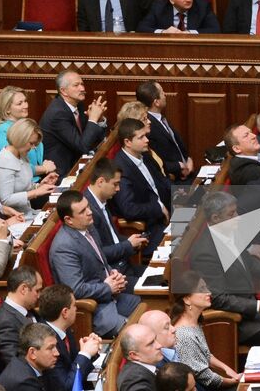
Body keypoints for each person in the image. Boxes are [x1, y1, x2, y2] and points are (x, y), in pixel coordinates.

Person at [187, 192, 260, 346]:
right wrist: (258, 306)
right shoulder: (205, 254)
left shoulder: (229, 232)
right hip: (236, 321)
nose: (238, 217)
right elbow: (218, 299)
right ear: (215, 219)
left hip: (250, 308)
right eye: (232, 214)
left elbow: (250, 264)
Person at [48, 191, 138, 336]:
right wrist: (108, 287)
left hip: (111, 298)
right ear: (69, 220)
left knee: (148, 310)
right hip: (95, 309)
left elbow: (100, 261)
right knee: (135, 334)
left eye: (88, 207)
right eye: (83, 211)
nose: (90, 212)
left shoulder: (88, 227)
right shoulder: (63, 247)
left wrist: (112, 273)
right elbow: (75, 289)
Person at [169, 271, 240, 389]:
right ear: (187, 299)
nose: (209, 292)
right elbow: (206, 378)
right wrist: (234, 382)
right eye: (202, 289)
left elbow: (205, 354)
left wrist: (226, 369)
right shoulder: (184, 335)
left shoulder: (194, 322)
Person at [111, 118, 172, 254]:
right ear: (128, 142)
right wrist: (159, 208)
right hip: (150, 228)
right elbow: (129, 209)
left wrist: (182, 194)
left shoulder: (144, 155)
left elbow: (162, 181)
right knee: (186, 244)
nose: (147, 140)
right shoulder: (121, 170)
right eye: (141, 137)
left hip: (168, 212)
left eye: (146, 135)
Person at [82, 161, 149, 276]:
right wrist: (128, 244)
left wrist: (134, 241)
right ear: (101, 182)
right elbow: (99, 253)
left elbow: (113, 239)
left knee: (168, 276)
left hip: (125, 265)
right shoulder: (87, 210)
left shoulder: (102, 200)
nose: (118, 189)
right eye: (115, 184)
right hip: (114, 274)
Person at [38, 71, 108, 174]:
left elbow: (92, 139)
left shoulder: (78, 105)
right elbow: (82, 147)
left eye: (82, 84)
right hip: (61, 172)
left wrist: (99, 119)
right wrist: (93, 119)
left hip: (78, 163)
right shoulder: (57, 113)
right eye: (76, 85)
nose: (82, 89)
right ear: (64, 91)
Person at [37, 283, 101, 391]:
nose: (76, 309)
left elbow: (73, 365)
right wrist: (85, 354)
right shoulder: (47, 343)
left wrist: (91, 351)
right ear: (65, 312)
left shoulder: (64, 329)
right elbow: (67, 387)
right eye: (74, 305)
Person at [0, 120, 59, 214]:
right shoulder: (4, 162)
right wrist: (36, 192)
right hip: (16, 216)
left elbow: (23, 187)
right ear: (20, 139)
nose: (33, 148)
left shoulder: (21, 155)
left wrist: (40, 185)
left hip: (27, 211)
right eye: (31, 143)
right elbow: (6, 200)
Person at [0, 88, 51, 177]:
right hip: (24, 184)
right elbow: (13, 165)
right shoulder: (4, 131)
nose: (26, 105)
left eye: (25, 101)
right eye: (20, 103)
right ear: (7, 109)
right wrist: (44, 169)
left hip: (39, 178)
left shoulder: (25, 124)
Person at [0, 267, 42, 372]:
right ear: (23, 289)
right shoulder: (4, 323)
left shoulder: (27, 309)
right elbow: (16, 365)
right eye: (37, 290)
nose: (39, 296)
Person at [137, 80, 192, 181]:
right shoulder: (148, 127)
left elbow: (177, 145)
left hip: (186, 172)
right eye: (162, 93)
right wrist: (178, 166)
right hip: (174, 179)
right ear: (156, 102)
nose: (165, 95)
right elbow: (151, 161)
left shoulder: (161, 119)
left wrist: (188, 159)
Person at [137, 0, 221, 34]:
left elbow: (216, 30)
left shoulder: (203, 6)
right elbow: (142, 27)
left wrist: (190, 33)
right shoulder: (159, 7)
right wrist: (164, 32)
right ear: (171, 0)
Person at [0, 323, 62, 391]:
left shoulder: (23, 363)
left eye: (55, 346)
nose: (57, 353)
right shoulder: (24, 383)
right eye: (50, 348)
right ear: (32, 353)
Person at [117, 322, 164, 391]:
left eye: (155, 339)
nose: (159, 345)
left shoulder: (141, 369)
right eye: (151, 344)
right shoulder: (135, 381)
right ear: (134, 355)